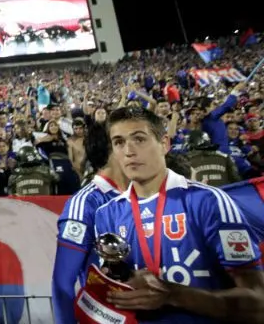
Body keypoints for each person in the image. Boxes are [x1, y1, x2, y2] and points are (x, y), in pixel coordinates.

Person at [95, 106, 264, 323]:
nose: (129, 151)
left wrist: (174, 294)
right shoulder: (107, 214)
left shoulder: (209, 201)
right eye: (119, 142)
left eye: (139, 139)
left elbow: (258, 303)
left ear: (164, 144)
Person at [52, 119, 127, 324]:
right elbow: (62, 283)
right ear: (113, 148)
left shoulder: (142, 195)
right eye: (127, 140)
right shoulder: (85, 203)